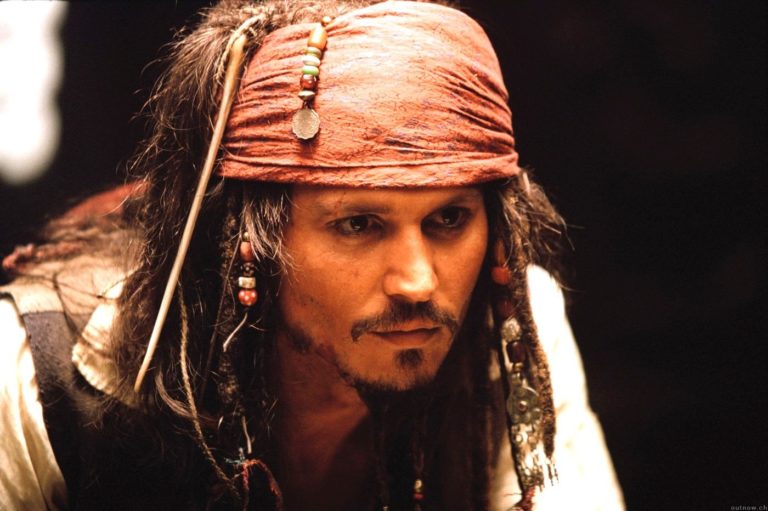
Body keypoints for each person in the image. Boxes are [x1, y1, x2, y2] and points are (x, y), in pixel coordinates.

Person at [0, 1, 624, 510]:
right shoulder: (35, 374)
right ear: (250, 240)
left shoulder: (512, 322)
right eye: (358, 224)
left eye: (449, 220)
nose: (417, 282)